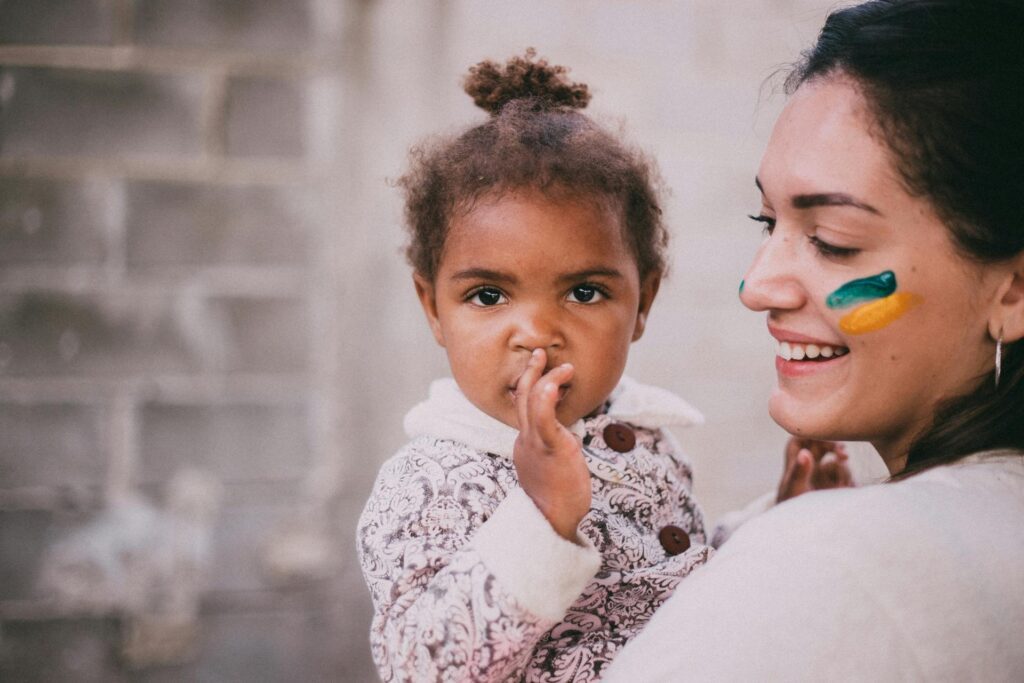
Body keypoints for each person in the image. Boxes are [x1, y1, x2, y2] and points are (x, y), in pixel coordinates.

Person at [356, 51, 849, 682]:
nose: (536, 334)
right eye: (488, 295)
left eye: (584, 292)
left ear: (642, 302)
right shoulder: (428, 482)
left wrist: (771, 523)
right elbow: (419, 668)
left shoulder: (642, 437)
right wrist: (540, 519)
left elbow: (676, 590)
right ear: (433, 308)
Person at [605, 1, 1024, 680]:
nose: (758, 285)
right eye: (765, 220)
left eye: (832, 241)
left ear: (1014, 289)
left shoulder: (829, 560)